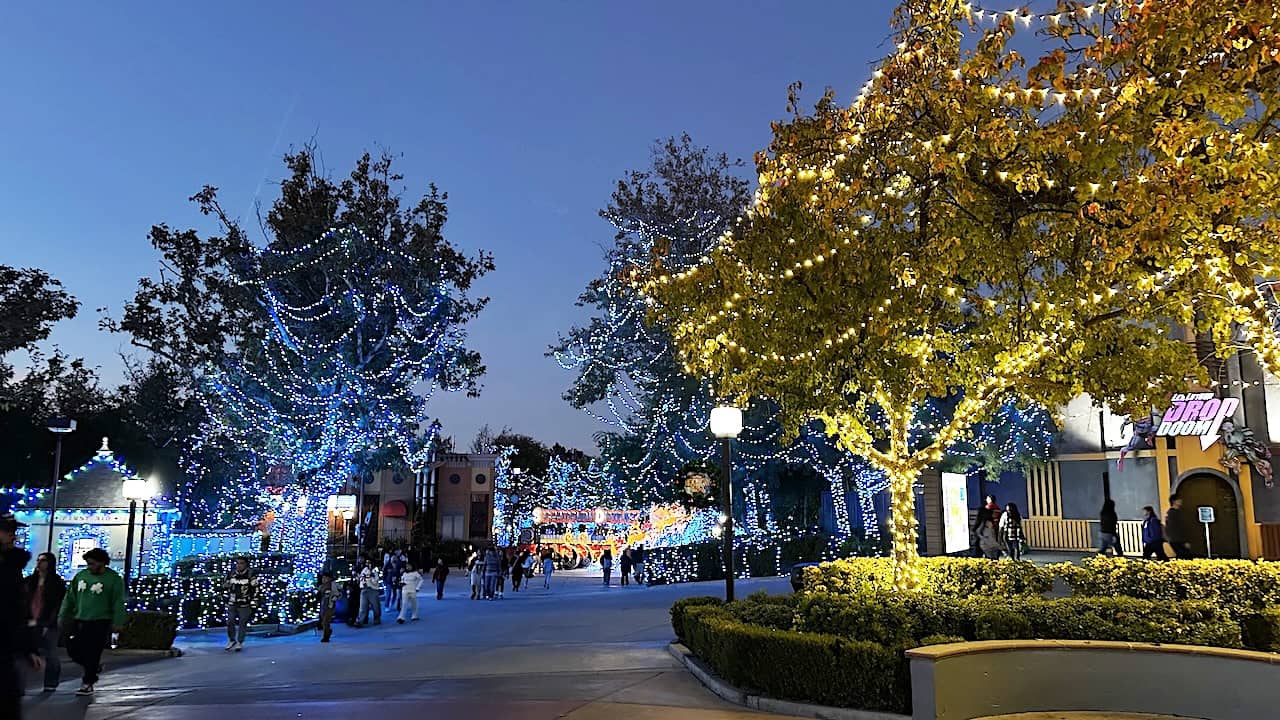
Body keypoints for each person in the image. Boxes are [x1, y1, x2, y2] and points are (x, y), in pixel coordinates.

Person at [59, 547, 125, 697]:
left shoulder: (113, 579)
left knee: (93, 651)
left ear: (102, 563)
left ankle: (88, 681)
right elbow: (70, 597)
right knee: (72, 649)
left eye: (92, 564)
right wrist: (63, 615)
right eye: (88, 563)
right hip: (80, 618)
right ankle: (93, 667)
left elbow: (117, 601)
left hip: (100, 620)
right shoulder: (81, 576)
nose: (89, 567)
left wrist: (118, 621)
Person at [0, 514, 41, 717]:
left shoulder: (13, 565)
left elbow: (18, 609)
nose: (13, 536)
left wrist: (29, 648)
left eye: (13, 531)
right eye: (7, 531)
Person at [25, 551, 66, 692]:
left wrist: (52, 620)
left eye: (43, 560)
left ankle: (51, 683)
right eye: (38, 560)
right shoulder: (30, 581)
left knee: (51, 652)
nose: (39, 563)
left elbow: (58, 604)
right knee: (25, 651)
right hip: (30, 619)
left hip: (48, 621)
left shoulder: (56, 582)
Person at [224, 556, 258, 652]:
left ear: (246, 564)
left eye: (241, 563)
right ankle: (232, 640)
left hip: (245, 603)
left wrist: (254, 601)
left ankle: (240, 642)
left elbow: (255, 589)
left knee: (243, 622)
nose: (239, 565)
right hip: (232, 602)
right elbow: (224, 585)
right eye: (237, 563)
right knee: (230, 621)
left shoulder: (250, 575)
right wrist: (226, 587)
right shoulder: (231, 574)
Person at [1165, 494, 1194, 559]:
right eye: (1178, 500)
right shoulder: (1174, 513)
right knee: (1186, 556)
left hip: (1174, 539)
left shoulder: (1171, 513)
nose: (1181, 501)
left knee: (1182, 556)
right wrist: (1185, 540)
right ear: (1174, 501)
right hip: (1178, 539)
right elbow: (1179, 527)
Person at [357, 557, 382, 626]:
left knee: (375, 606)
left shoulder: (375, 570)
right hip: (364, 589)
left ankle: (377, 619)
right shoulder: (364, 570)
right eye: (367, 562)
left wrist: (371, 577)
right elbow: (361, 578)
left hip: (373, 590)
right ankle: (360, 621)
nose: (368, 564)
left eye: (369, 563)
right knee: (362, 607)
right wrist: (362, 582)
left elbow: (376, 581)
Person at [318, 572, 339, 642]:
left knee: (326, 621)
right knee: (323, 620)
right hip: (323, 605)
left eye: (325, 578)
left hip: (329, 605)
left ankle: (326, 636)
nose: (323, 579)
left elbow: (337, 594)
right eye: (323, 578)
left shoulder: (332, 584)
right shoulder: (322, 586)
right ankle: (327, 632)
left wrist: (333, 599)